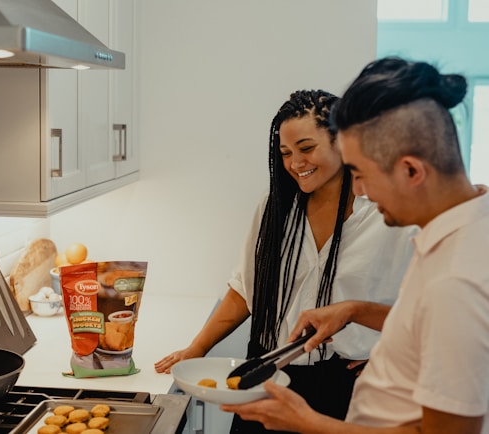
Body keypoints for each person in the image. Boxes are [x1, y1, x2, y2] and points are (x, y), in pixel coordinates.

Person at [221, 57, 489, 434]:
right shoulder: (463, 232)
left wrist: (307, 423)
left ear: (411, 170)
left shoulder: (455, 282)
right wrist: (354, 310)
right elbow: (426, 326)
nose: (359, 190)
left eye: (361, 174)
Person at [155, 89, 417, 432]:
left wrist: (394, 356)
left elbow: (425, 306)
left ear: (342, 142)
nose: (295, 164)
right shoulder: (275, 209)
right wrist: (196, 348)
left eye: (307, 149)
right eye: (285, 153)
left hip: (346, 386)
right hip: (267, 376)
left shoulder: (388, 217)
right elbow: (244, 289)